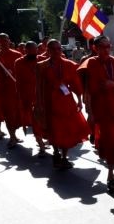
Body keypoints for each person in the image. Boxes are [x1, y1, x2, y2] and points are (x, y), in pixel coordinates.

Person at [77, 35, 114, 190]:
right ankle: (111, 174)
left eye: (108, 47)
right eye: (103, 47)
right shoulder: (90, 64)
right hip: (102, 109)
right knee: (109, 142)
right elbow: (87, 90)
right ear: (96, 48)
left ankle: (112, 173)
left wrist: (112, 84)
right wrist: (90, 112)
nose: (106, 50)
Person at [34, 39, 90, 169]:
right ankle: (55, 152)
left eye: (59, 49)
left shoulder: (69, 64)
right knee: (53, 129)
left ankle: (64, 156)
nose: (56, 51)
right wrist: (38, 104)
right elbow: (38, 87)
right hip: (49, 101)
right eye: (53, 49)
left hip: (66, 102)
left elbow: (76, 84)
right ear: (47, 51)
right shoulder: (41, 66)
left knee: (66, 130)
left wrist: (80, 100)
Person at [14, 41, 47, 157]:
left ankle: (47, 141)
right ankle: (41, 145)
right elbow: (18, 82)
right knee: (36, 122)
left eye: (35, 50)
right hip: (29, 97)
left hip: (44, 96)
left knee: (46, 121)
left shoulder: (43, 60)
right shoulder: (19, 63)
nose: (34, 52)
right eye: (31, 50)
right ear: (26, 50)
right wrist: (20, 97)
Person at [0, 33, 23, 148]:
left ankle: (14, 134)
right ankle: (12, 136)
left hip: (16, 88)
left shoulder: (17, 54)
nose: (3, 43)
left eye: (5, 40)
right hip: (4, 90)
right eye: (1, 41)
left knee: (17, 114)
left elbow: (23, 71)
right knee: (8, 114)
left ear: (9, 41)